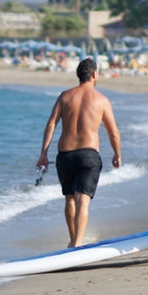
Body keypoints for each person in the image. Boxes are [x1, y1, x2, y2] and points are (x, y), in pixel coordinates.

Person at [36, 58, 122, 248]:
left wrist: (43, 153)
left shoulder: (65, 96)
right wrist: (117, 154)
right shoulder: (101, 100)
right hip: (88, 154)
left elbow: (51, 124)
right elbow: (113, 132)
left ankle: (72, 240)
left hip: (64, 155)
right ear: (94, 74)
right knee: (82, 199)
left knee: (69, 198)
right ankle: (77, 244)